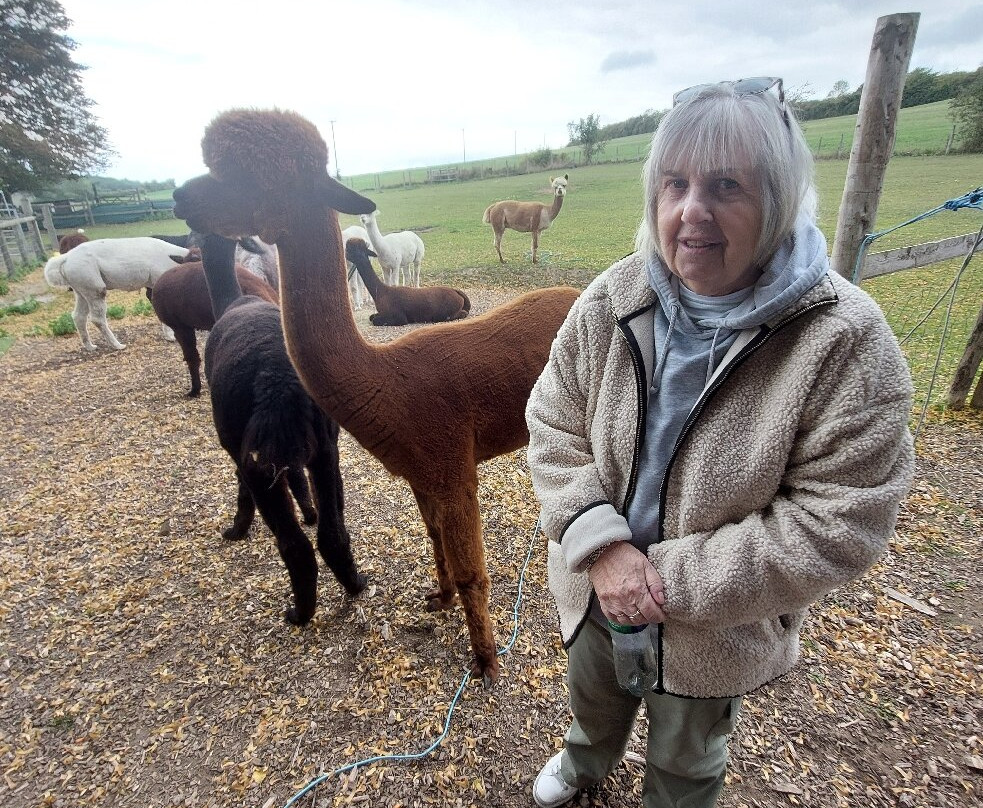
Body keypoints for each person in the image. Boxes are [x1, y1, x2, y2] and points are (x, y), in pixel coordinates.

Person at [524, 76, 915, 808]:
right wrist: (603, 549)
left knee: (686, 754)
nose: (690, 211)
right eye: (673, 184)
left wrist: (663, 583)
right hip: (590, 580)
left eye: (726, 185)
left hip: (710, 623)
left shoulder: (845, 341)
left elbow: (841, 519)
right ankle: (585, 761)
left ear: (779, 198)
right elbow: (552, 420)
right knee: (592, 701)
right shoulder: (614, 296)